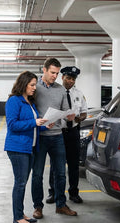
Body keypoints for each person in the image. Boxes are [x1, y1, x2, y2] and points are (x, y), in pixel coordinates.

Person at [5, 71, 54, 223]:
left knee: (22, 183)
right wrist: (35, 122)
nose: (34, 88)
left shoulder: (30, 102)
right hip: (17, 148)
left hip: (29, 148)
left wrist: (45, 127)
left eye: (35, 85)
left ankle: (21, 215)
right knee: (20, 183)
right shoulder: (14, 101)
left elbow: (33, 127)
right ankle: (17, 217)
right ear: (23, 84)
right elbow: (12, 125)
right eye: (32, 85)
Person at [31, 58, 78, 219]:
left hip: (57, 136)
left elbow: (65, 111)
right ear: (43, 70)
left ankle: (61, 205)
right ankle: (38, 207)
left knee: (60, 174)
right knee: (37, 174)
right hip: (40, 137)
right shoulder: (34, 87)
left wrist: (69, 115)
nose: (55, 76)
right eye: (52, 72)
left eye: (57, 73)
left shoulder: (60, 90)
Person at [46, 66, 87, 204]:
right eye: (68, 78)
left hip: (73, 133)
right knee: (56, 164)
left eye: (73, 79)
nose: (70, 81)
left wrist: (77, 118)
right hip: (58, 132)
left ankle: (74, 193)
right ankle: (53, 192)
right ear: (62, 77)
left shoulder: (79, 94)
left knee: (74, 165)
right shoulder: (55, 93)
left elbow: (84, 113)